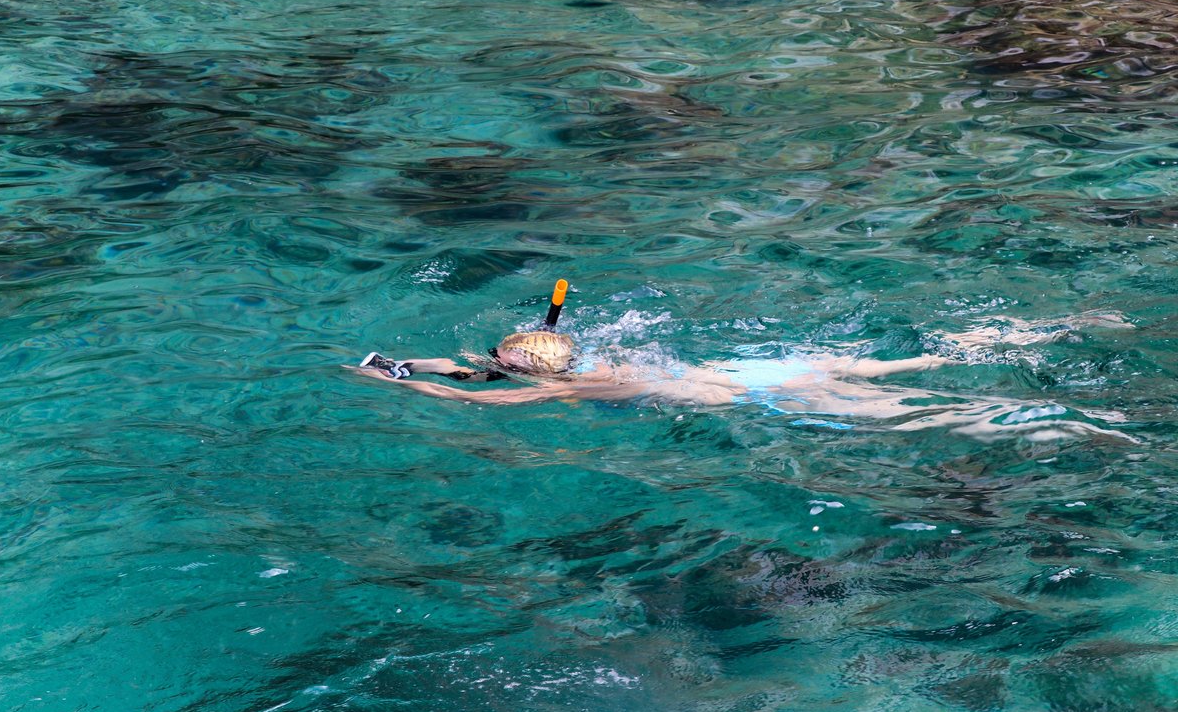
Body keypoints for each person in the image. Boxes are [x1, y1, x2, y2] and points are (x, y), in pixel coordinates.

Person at [350, 314, 1135, 439]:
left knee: (917, 412)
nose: (497, 362)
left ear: (535, 369)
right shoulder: (594, 361)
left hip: (751, 392)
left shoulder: (565, 387)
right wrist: (408, 356)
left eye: (506, 357)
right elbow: (477, 367)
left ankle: (1067, 420)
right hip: (764, 364)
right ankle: (1025, 332)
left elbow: (468, 394)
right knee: (915, 362)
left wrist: (399, 383)